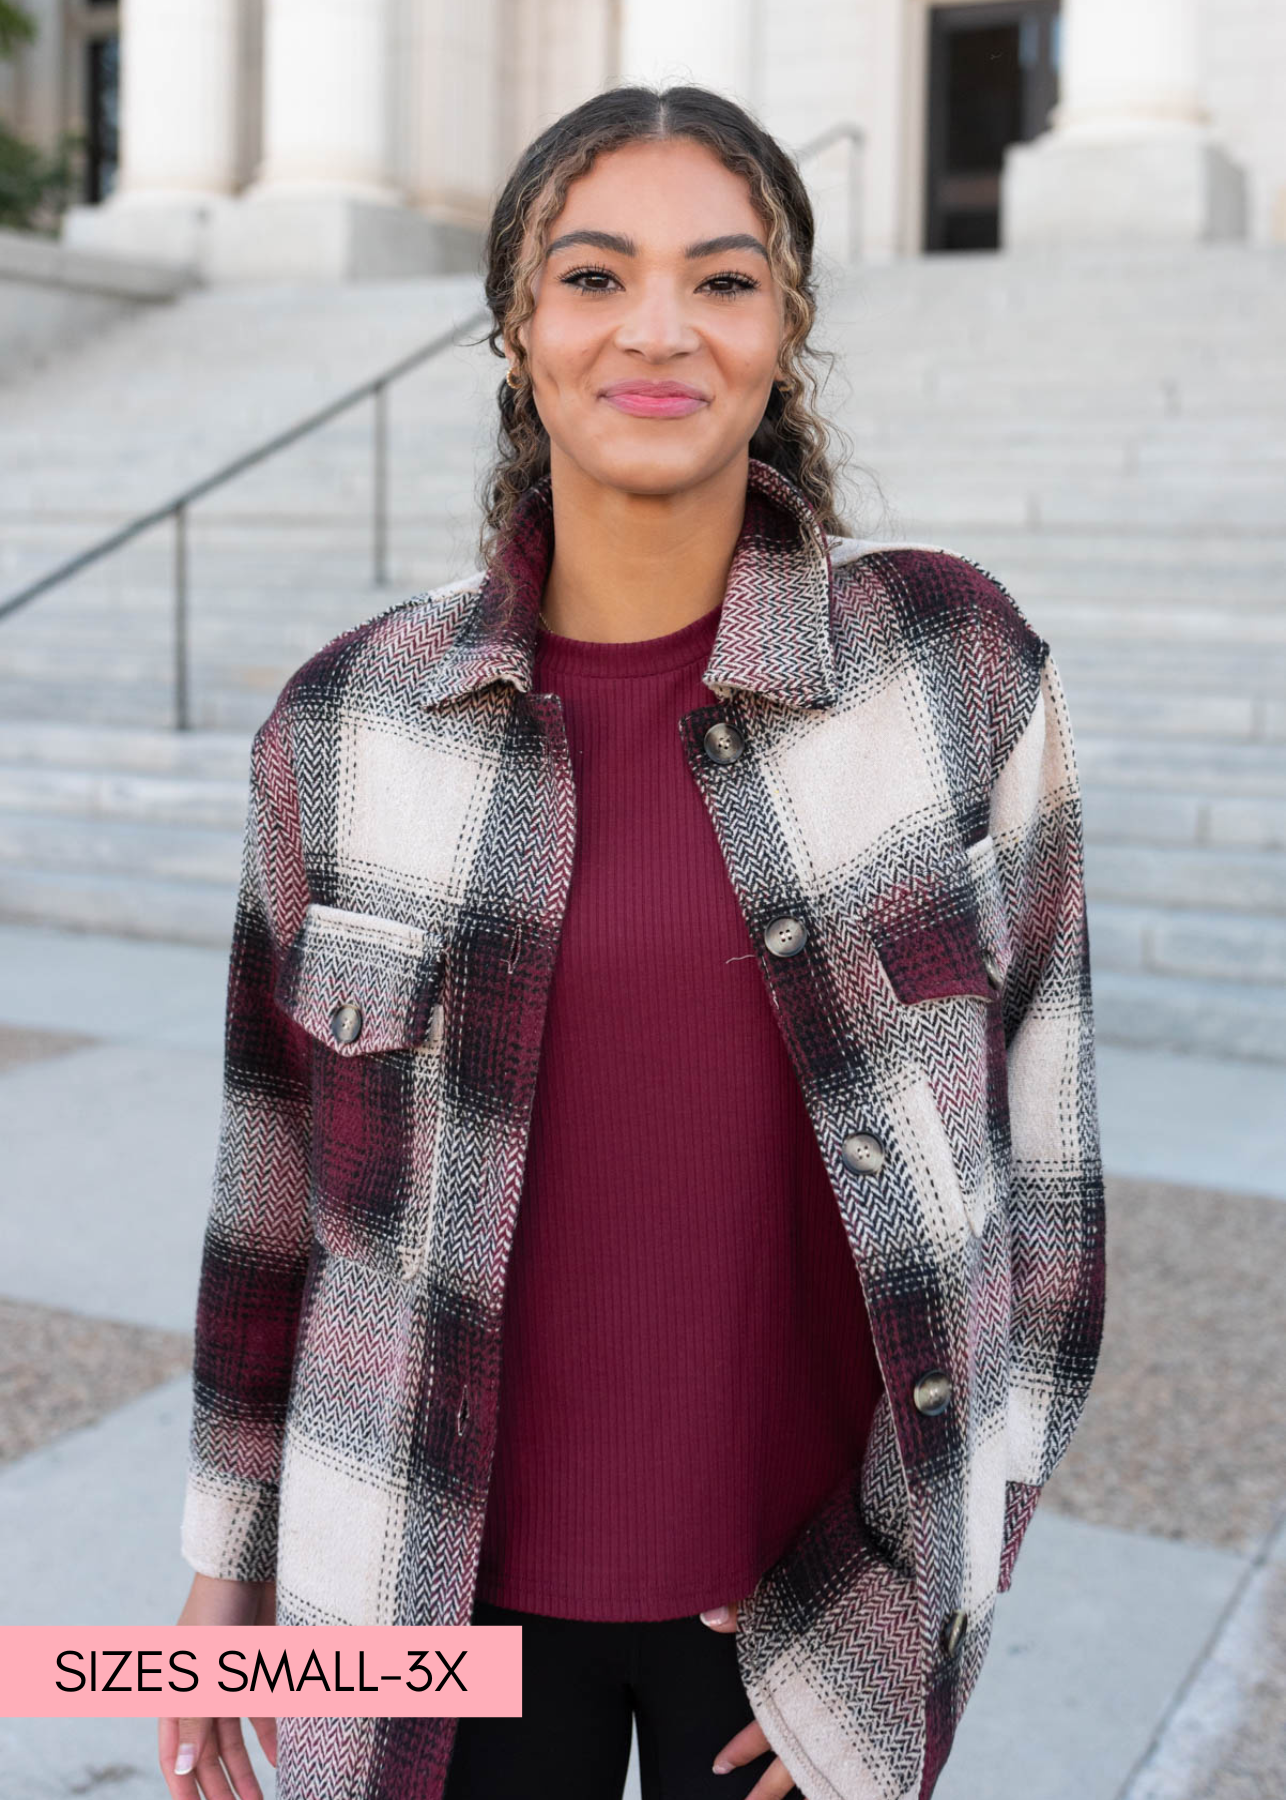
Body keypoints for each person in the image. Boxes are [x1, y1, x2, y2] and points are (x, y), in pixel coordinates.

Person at [158, 83, 1105, 1800]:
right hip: (418, 1603)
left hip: (790, 1638)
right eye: (593, 278)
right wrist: (228, 1571)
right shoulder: (346, 727)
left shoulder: (952, 674)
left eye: (722, 280)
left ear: (786, 329)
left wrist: (916, 1606)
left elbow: (1045, 1208)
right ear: (516, 330)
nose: (656, 328)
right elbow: (270, 1191)